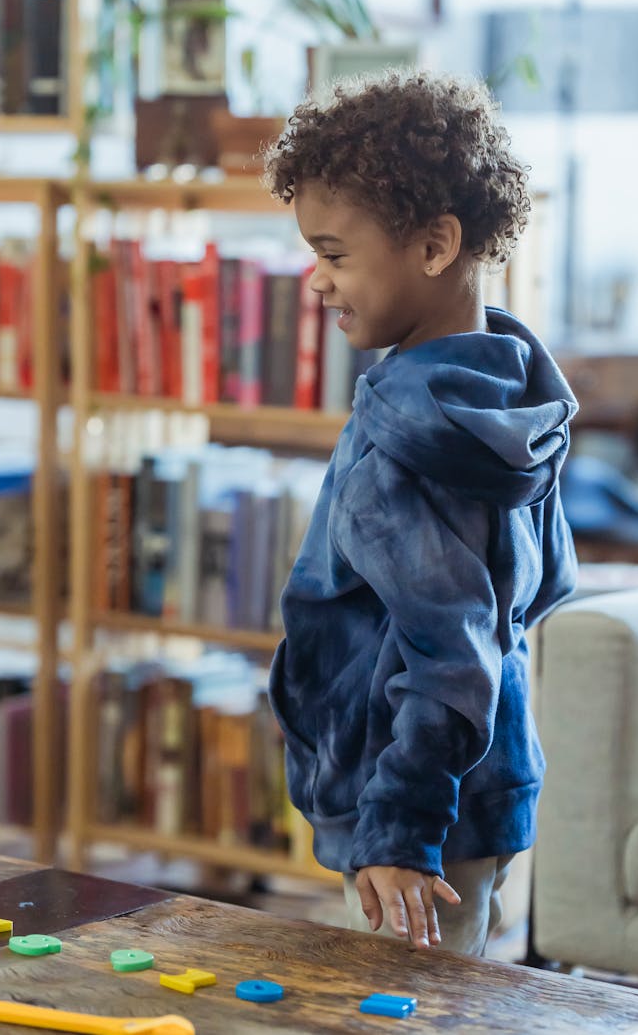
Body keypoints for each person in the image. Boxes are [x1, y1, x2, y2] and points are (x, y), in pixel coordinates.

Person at [263, 70, 579, 957]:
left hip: (409, 814)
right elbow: (546, 582)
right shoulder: (508, 389)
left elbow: (452, 649)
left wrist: (399, 828)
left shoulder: (404, 433)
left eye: (333, 254)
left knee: (399, 1009)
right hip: (489, 784)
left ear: (435, 245)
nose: (315, 281)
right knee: (457, 983)